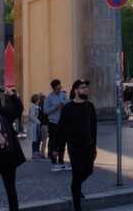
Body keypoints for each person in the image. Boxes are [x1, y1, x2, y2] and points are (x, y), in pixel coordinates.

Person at [59, 79, 97, 211]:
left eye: (86, 87)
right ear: (75, 90)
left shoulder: (90, 106)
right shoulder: (68, 108)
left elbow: (94, 127)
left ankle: (76, 187)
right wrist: (58, 149)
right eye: (82, 87)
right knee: (76, 173)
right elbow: (61, 129)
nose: (86, 89)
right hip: (74, 147)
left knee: (89, 170)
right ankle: (77, 206)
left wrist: (94, 145)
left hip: (89, 146)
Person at [0, 88, 26, 211]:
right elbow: (19, 109)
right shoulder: (5, 113)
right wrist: (12, 95)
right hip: (9, 157)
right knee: (11, 188)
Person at [44, 79, 68, 171]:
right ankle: (54, 162)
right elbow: (45, 111)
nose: (60, 88)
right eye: (58, 88)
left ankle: (61, 161)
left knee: (62, 142)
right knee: (54, 143)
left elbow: (67, 104)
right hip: (53, 123)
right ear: (54, 88)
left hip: (63, 122)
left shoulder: (63, 95)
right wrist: (56, 107)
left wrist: (64, 105)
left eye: (60, 87)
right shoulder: (49, 98)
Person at [28, 94, 43, 159]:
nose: (39, 100)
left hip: (37, 125)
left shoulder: (36, 106)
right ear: (36, 100)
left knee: (38, 139)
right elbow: (31, 116)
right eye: (39, 99)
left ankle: (37, 152)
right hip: (34, 125)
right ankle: (34, 153)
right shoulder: (33, 107)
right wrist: (38, 122)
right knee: (35, 140)